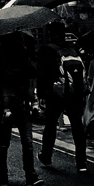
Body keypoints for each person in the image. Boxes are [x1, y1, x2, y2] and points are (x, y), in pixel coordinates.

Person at [0, 32, 42, 186]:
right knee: (26, 141)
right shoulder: (17, 58)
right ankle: (29, 175)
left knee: (4, 141)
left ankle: (4, 176)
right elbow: (33, 73)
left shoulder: (2, 58)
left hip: (7, 104)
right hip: (17, 102)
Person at [36, 23, 87, 173]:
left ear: (50, 34)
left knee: (51, 124)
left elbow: (41, 75)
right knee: (77, 126)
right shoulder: (72, 49)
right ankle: (81, 162)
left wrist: (41, 94)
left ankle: (46, 156)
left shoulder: (46, 50)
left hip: (55, 93)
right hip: (74, 93)